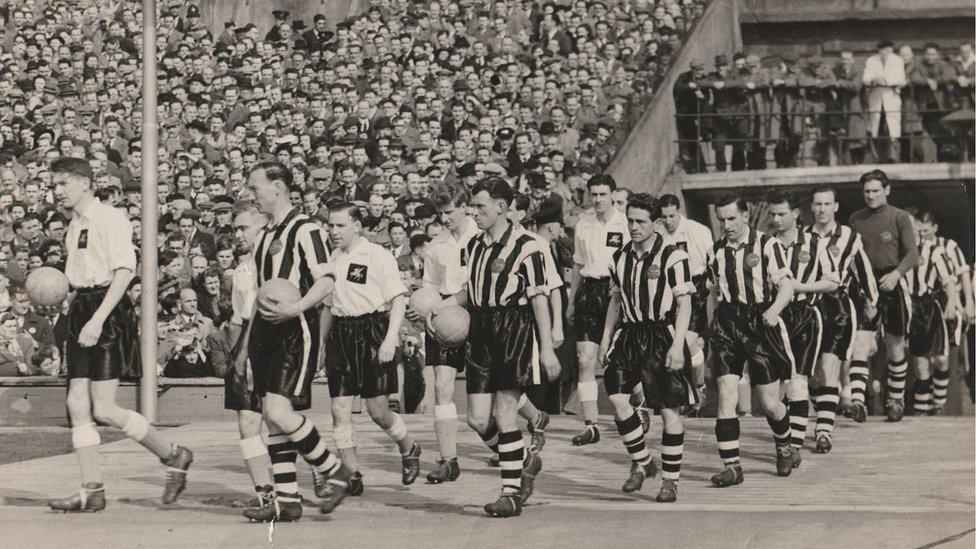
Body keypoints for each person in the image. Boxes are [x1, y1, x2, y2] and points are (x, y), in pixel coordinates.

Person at [47, 157, 193, 512]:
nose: (58, 190)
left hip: (107, 311)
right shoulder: (72, 225)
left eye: (63, 182)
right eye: (54, 184)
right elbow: (80, 276)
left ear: (85, 182)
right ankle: (91, 490)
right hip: (83, 306)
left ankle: (173, 454)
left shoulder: (110, 217)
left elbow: (125, 272)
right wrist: (61, 298)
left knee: (106, 408)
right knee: (76, 405)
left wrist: (97, 320)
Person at [430, 177, 559, 518]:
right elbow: (469, 292)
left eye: (480, 206)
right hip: (480, 328)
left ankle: (510, 493)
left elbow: (539, 300)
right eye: (472, 206)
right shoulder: (473, 245)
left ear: (501, 207)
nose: (475, 212)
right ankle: (525, 460)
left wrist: (546, 347)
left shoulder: (529, 246)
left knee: (504, 413)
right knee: (475, 419)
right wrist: (439, 307)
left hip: (514, 329)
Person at [239, 161, 353, 522]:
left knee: (278, 412)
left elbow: (326, 281)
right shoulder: (262, 238)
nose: (250, 193)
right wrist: (244, 348)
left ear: (278, 187)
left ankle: (335, 469)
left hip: (294, 329)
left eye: (255, 186)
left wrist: (297, 307)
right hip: (264, 332)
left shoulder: (306, 230)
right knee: (273, 420)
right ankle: (287, 500)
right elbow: (260, 295)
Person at [597, 193, 697, 503]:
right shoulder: (619, 257)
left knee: (668, 411)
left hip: (660, 334)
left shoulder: (672, 256)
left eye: (641, 221)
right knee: (616, 397)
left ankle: (670, 481)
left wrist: (678, 345)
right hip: (628, 334)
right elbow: (615, 300)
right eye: (630, 221)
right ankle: (642, 461)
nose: (634, 227)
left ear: (655, 223)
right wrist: (605, 338)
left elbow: (685, 304)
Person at [324, 202, 421, 497]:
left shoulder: (377, 255)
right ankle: (351, 473)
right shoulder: (333, 258)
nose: (334, 231)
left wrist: (390, 339)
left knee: (378, 410)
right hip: (341, 333)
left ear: (357, 225)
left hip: (372, 332)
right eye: (330, 225)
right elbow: (328, 307)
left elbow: (399, 299)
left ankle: (409, 447)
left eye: (340, 225)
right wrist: (319, 346)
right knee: (339, 408)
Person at [707, 192, 796, 487]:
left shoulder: (767, 245)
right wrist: (712, 324)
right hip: (727, 324)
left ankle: (784, 444)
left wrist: (773, 311)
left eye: (732, 218)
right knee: (726, 393)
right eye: (722, 220)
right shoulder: (717, 250)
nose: (727, 225)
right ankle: (732, 467)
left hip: (760, 322)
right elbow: (713, 291)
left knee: (770, 403)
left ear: (745, 216)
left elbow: (787, 286)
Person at [767, 190, 839, 465]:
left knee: (799, 381)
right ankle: (787, 439)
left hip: (806, 315)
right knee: (778, 387)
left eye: (781, 214)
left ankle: (793, 445)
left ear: (796, 214)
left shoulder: (814, 242)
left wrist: (800, 287)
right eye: (772, 214)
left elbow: (833, 281)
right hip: (775, 317)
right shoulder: (766, 244)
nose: (776, 219)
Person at [413, 188, 480, 484]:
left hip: (479, 316)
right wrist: (423, 307)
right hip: (445, 319)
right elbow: (429, 287)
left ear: (465, 207)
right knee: (442, 386)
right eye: (441, 213)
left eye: (451, 211)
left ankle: (534, 418)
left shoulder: (481, 237)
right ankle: (448, 459)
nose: (445, 218)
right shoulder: (435, 246)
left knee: (492, 388)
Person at [806, 185, 877, 450]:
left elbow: (864, 271)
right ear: (812, 207)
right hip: (808, 310)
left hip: (837, 308)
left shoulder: (849, 236)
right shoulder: (803, 237)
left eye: (827, 204)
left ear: (835, 207)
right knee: (811, 376)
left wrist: (871, 300)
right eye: (818, 204)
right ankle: (825, 407)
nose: (822, 209)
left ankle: (824, 431)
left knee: (829, 368)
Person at [849, 169, 918, 422]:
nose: (871, 195)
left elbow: (912, 254)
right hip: (866, 287)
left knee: (894, 344)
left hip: (892, 284)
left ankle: (895, 401)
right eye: (866, 191)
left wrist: (896, 275)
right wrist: (862, 287)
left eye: (876, 190)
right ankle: (857, 401)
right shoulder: (856, 219)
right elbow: (852, 257)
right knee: (860, 343)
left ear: (886, 190)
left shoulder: (900, 217)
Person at [568, 174, 630, 446]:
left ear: (612, 194)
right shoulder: (583, 225)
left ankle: (636, 406)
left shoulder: (626, 224)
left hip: (617, 292)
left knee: (619, 360)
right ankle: (591, 424)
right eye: (594, 194)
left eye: (603, 194)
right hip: (589, 292)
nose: (598, 200)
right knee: (584, 359)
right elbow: (578, 266)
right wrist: (571, 302)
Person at [656, 194, 710, 402]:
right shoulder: (658, 233)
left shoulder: (697, 230)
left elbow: (712, 260)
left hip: (695, 288)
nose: (668, 221)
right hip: (669, 290)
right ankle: (681, 392)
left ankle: (700, 386)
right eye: (664, 217)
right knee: (669, 343)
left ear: (679, 212)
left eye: (672, 216)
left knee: (686, 341)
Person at [907, 212, 960, 415]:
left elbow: (949, 280)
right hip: (908, 307)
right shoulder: (899, 252)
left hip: (929, 308)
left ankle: (938, 404)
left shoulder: (934, 251)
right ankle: (923, 410)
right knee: (920, 363)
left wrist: (952, 305)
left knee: (940, 359)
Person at [862, 41, 907, 163]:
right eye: (884, 50)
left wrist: (886, 80)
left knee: (893, 126)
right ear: (879, 50)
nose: (886, 53)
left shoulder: (897, 60)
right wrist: (873, 79)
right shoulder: (871, 61)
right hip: (876, 98)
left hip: (891, 96)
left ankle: (893, 157)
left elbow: (901, 79)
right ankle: (876, 157)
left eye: (889, 50)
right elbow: (865, 78)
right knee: (875, 127)